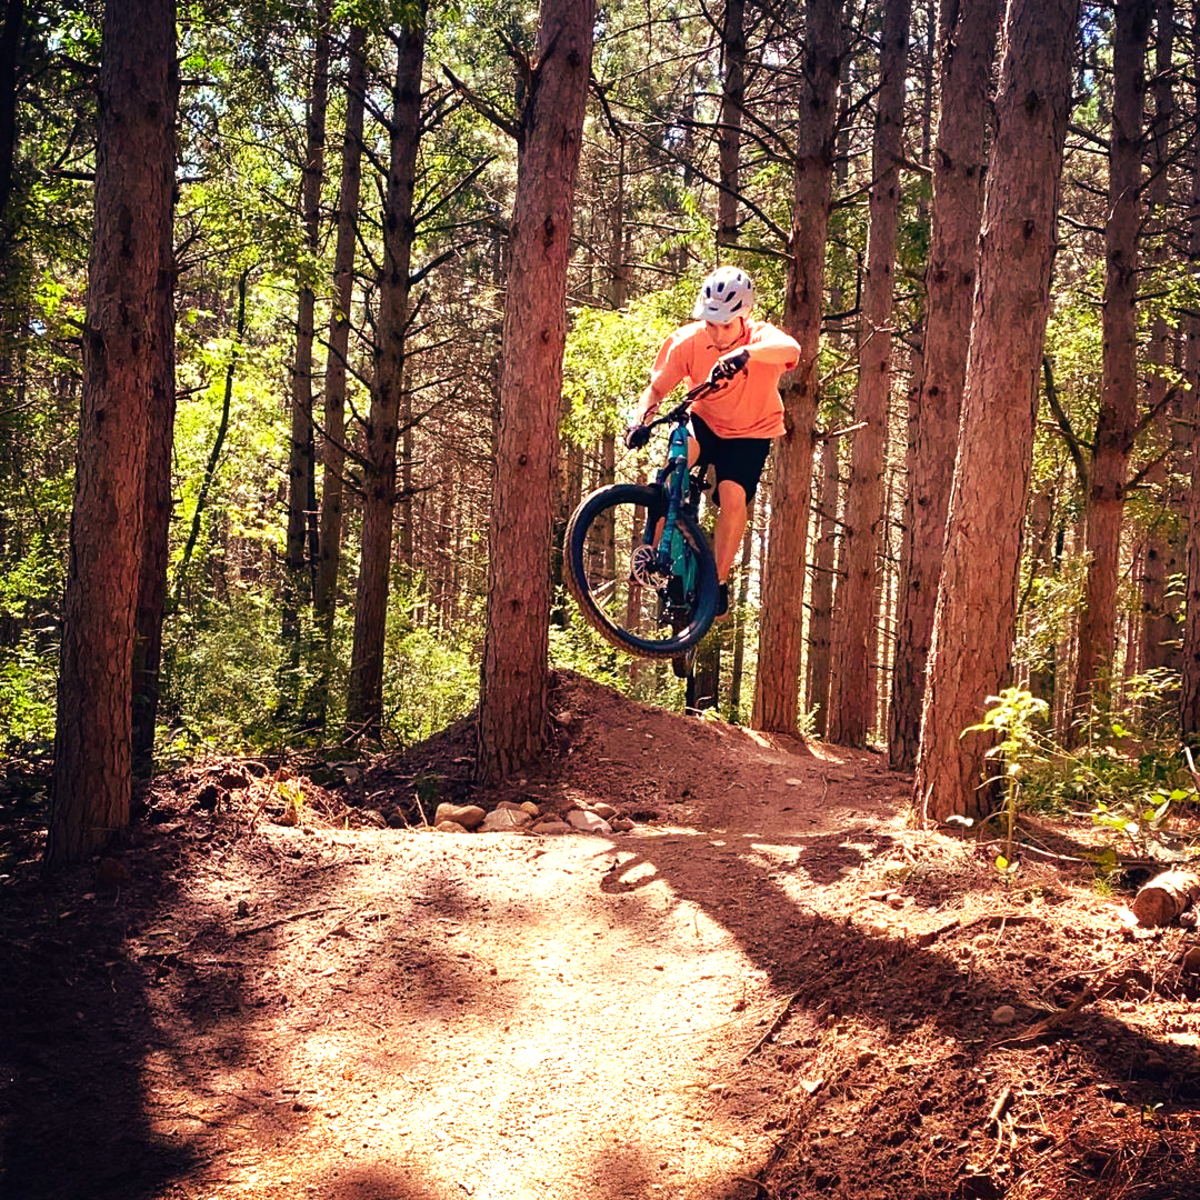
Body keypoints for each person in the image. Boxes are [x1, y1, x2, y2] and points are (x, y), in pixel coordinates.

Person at [624, 265, 800, 618]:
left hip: (751, 431)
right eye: (710, 323)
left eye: (725, 325)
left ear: (744, 318)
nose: (717, 334)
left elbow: (790, 348)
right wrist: (639, 420)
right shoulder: (687, 341)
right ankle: (653, 555)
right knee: (673, 470)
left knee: (733, 497)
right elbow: (657, 389)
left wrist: (745, 354)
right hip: (704, 421)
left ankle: (717, 581)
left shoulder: (761, 337)